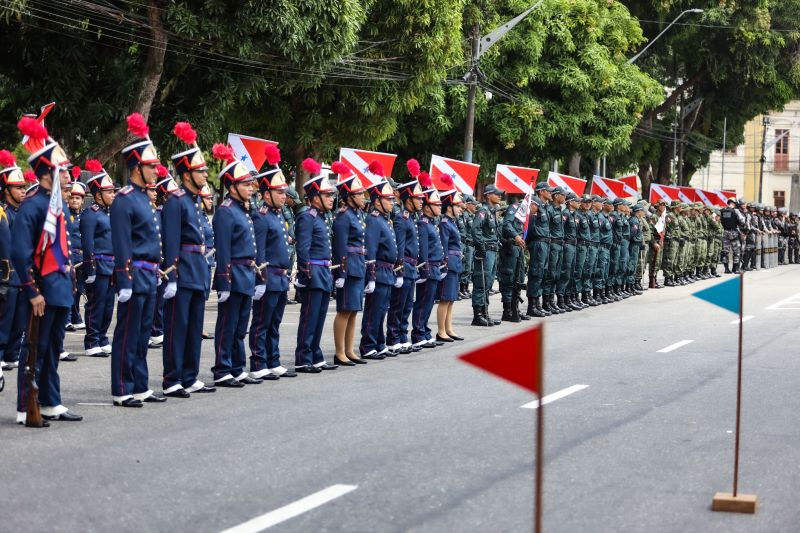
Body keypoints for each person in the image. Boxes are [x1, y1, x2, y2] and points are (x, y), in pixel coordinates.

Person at [12, 115, 82, 423]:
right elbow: (21, 253)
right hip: (42, 289)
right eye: (62, 170)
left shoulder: (58, 203)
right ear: (46, 173)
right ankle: (25, 405)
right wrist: (32, 291)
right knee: (35, 350)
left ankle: (51, 401)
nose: (67, 174)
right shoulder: (32, 205)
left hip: (60, 287)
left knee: (53, 348)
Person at [110, 114, 167, 408]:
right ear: (136, 167)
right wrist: (124, 278)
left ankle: (140, 384)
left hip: (149, 274)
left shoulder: (145, 198)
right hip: (134, 275)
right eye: (151, 166)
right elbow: (121, 243)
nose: (156, 171)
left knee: (144, 333)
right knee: (127, 333)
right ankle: (122, 387)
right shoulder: (124, 199)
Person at [160, 122, 217, 398]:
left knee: (194, 328)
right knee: (176, 328)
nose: (205, 174)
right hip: (181, 271)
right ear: (186, 174)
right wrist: (170, 276)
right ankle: (172, 379)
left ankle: (189, 375)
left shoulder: (194, 201)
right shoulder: (176, 201)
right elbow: (171, 240)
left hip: (197, 270)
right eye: (200, 170)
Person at [208, 144, 262, 387]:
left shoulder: (243, 210)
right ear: (231, 187)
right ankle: (222, 368)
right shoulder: (226, 211)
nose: (250, 188)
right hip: (234, 273)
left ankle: (237, 367)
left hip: (247, 273)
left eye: (250, 184)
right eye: (245, 184)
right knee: (227, 325)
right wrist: (224, 280)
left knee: (241, 326)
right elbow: (224, 250)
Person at [249, 146, 298, 380]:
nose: (283, 195)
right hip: (267, 276)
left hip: (280, 276)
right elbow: (258, 250)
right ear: (266, 193)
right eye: (278, 192)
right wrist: (259, 279)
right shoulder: (260, 216)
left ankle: (273, 359)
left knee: (275, 322)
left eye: (283, 192)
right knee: (261, 322)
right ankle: (259, 363)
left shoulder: (278, 216)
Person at [293, 159, 338, 372]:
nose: (331, 199)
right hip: (314, 273)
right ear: (315, 197)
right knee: (309, 318)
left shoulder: (321, 217)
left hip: (323, 272)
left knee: (319, 318)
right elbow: (303, 249)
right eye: (327, 195)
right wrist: (306, 274)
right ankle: (304, 357)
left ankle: (315, 353)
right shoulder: (307, 217)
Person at [329, 161, 368, 364]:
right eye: (359, 194)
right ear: (349, 197)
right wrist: (341, 273)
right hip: (349, 267)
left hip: (358, 265)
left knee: (353, 310)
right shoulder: (343, 217)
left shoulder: (358, 215)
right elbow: (340, 247)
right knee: (344, 310)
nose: (363, 196)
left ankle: (350, 349)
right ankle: (339, 352)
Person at [385, 163, 424, 354]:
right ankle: (393, 338)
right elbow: (399, 247)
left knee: (407, 304)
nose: (421, 201)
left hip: (412, 267)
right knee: (398, 305)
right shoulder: (401, 218)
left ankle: (401, 335)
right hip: (404, 266)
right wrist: (398, 269)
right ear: (408, 198)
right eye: (418, 198)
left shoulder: (410, 218)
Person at [360, 176, 400, 356]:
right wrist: (371, 276)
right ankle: (368, 345)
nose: (392, 202)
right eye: (388, 199)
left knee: (382, 310)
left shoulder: (385, 220)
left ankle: (379, 343)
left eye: (392, 199)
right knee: (373, 311)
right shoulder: (374, 220)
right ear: (377, 202)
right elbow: (371, 250)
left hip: (387, 271)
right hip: (379, 270)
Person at [80, 160, 116, 357]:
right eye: (109, 191)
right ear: (98, 195)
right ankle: (92, 340)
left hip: (111, 266)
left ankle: (102, 337)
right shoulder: (90, 214)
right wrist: (90, 269)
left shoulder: (107, 213)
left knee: (109, 305)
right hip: (99, 265)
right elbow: (88, 245)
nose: (113, 194)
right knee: (96, 304)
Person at [0, 150, 31, 373]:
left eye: (23, 187)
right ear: (6, 189)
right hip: (7, 275)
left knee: (19, 321)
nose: (22, 191)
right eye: (18, 187)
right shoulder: (2, 212)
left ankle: (11, 353)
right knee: (4, 319)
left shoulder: (21, 213)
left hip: (22, 276)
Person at [411, 172, 445, 348]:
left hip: (435, 267)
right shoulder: (423, 224)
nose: (440, 207)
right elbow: (423, 250)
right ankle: (418, 334)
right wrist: (423, 268)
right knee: (423, 301)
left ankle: (424, 330)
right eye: (436, 204)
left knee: (429, 302)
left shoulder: (431, 223)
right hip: (428, 267)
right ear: (427, 207)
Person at [435, 176, 464, 340]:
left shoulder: (452, 222)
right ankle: (441, 331)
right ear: (449, 207)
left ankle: (449, 328)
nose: (460, 209)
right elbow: (444, 246)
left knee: (451, 298)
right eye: (457, 206)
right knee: (445, 298)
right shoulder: (445, 223)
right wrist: (444, 264)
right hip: (449, 263)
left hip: (455, 263)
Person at [471, 184, 504, 325]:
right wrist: (480, 247)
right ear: (488, 195)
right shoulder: (483, 211)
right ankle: (478, 315)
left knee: (488, 282)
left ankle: (485, 312)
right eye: (497, 194)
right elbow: (475, 229)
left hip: (493, 250)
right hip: (485, 251)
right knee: (481, 282)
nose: (500, 196)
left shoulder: (492, 212)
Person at [498, 194, 529, 322]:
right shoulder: (515, 208)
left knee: (519, 278)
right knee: (509, 279)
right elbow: (506, 225)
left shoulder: (524, 213)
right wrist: (516, 236)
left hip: (519, 249)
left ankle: (515, 308)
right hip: (510, 248)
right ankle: (507, 311)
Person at [525, 183, 553, 316]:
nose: (550, 193)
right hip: (538, 243)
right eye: (548, 191)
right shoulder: (535, 203)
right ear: (541, 192)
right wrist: (530, 243)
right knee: (536, 274)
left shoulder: (545, 207)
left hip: (545, 243)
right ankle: (532, 306)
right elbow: (529, 226)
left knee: (543, 273)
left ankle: (538, 303)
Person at [66, 176, 86, 333]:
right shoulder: (65, 215)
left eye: (77, 198)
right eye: (72, 197)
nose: (74, 201)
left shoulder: (85, 216)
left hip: (81, 257)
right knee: (68, 288)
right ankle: (67, 318)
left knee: (79, 289)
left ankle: (75, 315)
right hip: (69, 256)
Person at [559, 192, 584, 310]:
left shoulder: (575, 215)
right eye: (576, 201)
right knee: (566, 273)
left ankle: (568, 298)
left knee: (572, 273)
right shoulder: (565, 214)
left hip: (574, 246)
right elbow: (561, 230)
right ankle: (561, 299)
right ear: (570, 202)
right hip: (567, 246)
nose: (579, 203)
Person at [543, 186, 566, 313]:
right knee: (550, 274)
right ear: (556, 196)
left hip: (560, 245)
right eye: (563, 195)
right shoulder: (550, 209)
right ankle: (546, 302)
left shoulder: (559, 210)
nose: (565, 197)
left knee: (556, 274)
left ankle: (551, 300)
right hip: (552, 245)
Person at [593, 198, 614, 303]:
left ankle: (602, 292)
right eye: (609, 204)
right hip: (601, 247)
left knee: (604, 271)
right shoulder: (600, 217)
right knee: (600, 270)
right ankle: (597, 294)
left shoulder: (607, 217)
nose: (612, 205)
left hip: (607, 247)